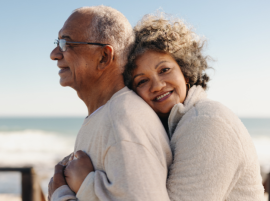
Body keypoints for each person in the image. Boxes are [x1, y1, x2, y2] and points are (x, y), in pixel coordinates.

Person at [62, 13, 265, 200]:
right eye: (142, 81)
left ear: (185, 71)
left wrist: (85, 185)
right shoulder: (175, 125)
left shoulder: (207, 122)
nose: (157, 85)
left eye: (165, 69)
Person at [49, 6, 172, 201]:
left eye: (66, 43)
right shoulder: (110, 115)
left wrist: (60, 195)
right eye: (58, 42)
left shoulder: (122, 121)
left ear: (104, 57)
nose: (54, 54)